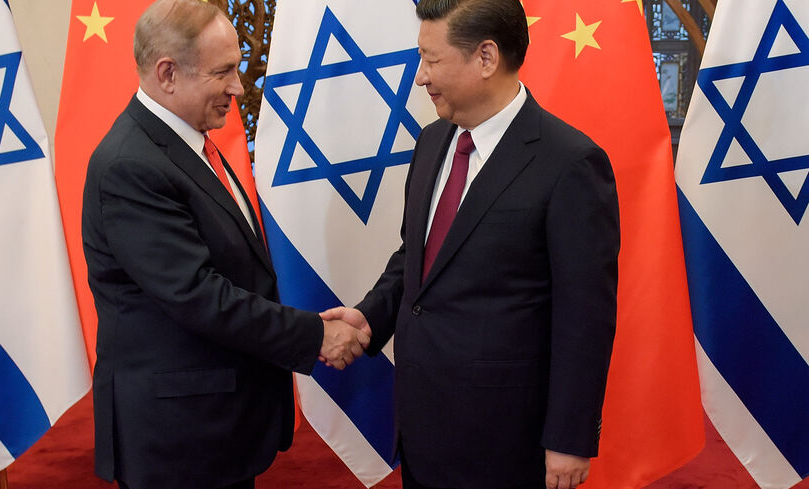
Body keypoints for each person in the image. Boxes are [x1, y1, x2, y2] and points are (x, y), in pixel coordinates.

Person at [321, 1, 620, 488]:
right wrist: (369, 317)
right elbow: (415, 258)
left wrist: (569, 437)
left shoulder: (570, 163)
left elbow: (585, 317)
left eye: (431, 60)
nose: (420, 78)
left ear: (486, 58)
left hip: (506, 442)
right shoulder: (432, 141)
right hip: (420, 429)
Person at [81, 1, 369, 488]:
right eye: (224, 72)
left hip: (216, 427)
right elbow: (200, 297)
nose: (239, 87)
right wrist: (315, 336)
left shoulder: (187, 143)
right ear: (168, 74)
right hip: (179, 441)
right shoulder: (130, 167)